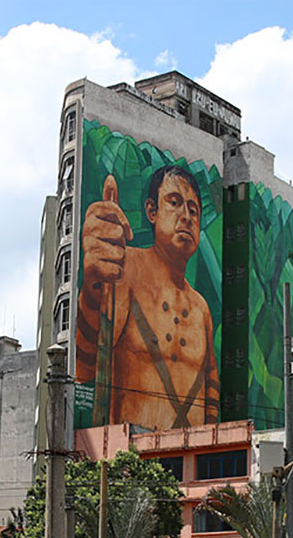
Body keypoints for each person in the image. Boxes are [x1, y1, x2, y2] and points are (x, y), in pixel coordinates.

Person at [76, 167, 220, 430]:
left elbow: (211, 400)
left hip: (192, 455)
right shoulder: (122, 266)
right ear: (152, 211)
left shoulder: (201, 308)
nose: (186, 217)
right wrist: (93, 286)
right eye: (174, 203)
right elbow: (82, 368)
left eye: (194, 211)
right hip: (126, 452)